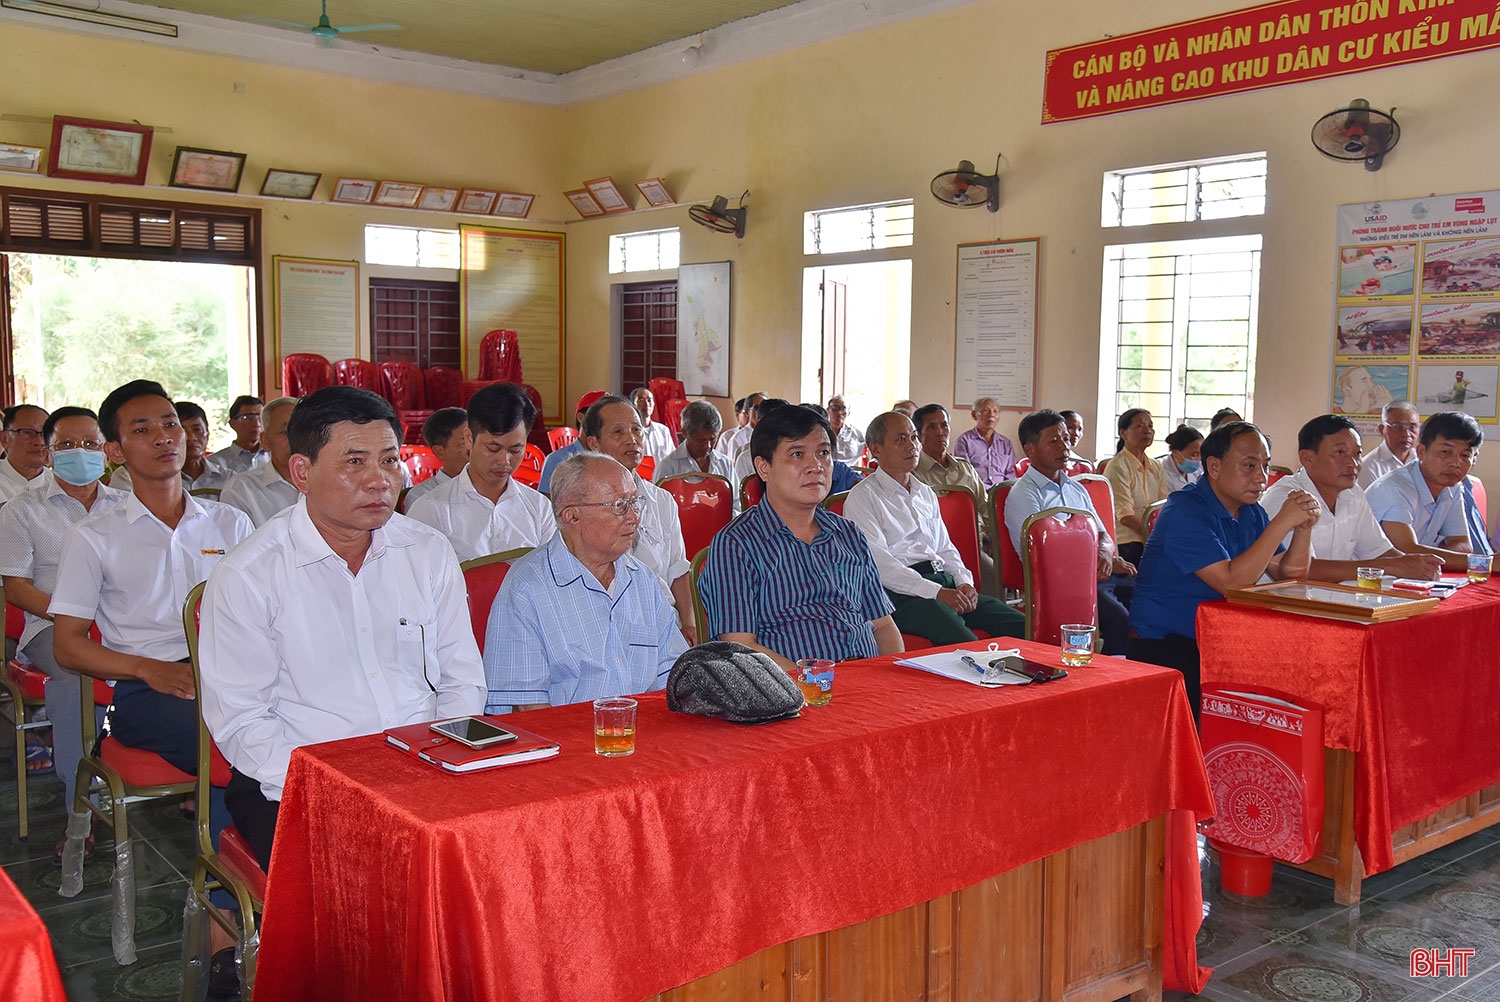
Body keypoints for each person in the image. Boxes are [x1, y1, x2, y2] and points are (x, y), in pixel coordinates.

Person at [200, 385, 485, 877]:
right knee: (372, 883)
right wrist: (346, 787)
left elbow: (462, 677)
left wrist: (442, 760)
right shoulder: (251, 573)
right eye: (354, 462)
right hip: (298, 779)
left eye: (390, 460)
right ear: (302, 472)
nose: (379, 481)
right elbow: (244, 722)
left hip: (425, 762)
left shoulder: (427, 550)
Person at [0, 406, 126, 855]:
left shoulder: (126, 506)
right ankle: (81, 811)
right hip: (49, 628)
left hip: (121, 625)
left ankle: (180, 779)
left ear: (107, 451)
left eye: (90, 444)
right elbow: (15, 587)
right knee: (75, 676)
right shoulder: (21, 510)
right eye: (67, 445)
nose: (81, 453)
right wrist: (72, 619)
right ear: (49, 454)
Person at [1128, 421, 1317, 717]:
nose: (1262, 478)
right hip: (1167, 647)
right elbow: (1231, 583)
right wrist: (1282, 522)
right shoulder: (1185, 512)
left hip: (1219, 639)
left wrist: (1302, 528)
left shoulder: (1250, 511)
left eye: (1265, 466)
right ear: (1214, 467)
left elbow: (1289, 574)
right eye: (1250, 466)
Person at [700, 402, 901, 670]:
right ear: (763, 468)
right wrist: (814, 683)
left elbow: (883, 624)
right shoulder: (737, 544)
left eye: (823, 453)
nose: (815, 466)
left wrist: (892, 677)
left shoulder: (849, 535)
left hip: (869, 685)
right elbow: (741, 646)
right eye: (797, 454)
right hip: (793, 695)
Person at [483, 453, 689, 712]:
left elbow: (675, 680)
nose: (634, 517)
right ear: (572, 516)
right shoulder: (527, 589)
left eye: (635, 502)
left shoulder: (642, 580)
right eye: (619, 505)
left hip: (644, 737)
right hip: (566, 741)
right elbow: (527, 712)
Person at [845, 412, 1023, 644]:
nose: (912, 446)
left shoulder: (925, 492)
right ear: (876, 449)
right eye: (901, 439)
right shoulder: (863, 497)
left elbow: (945, 548)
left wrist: (963, 582)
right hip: (898, 593)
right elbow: (881, 566)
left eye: (914, 437)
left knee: (1014, 621)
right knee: (961, 637)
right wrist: (936, 593)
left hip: (940, 579)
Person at [1004, 410, 1134, 654]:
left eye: (1065, 439)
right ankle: (1103, 680)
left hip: (1094, 574)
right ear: (1030, 450)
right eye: (1054, 441)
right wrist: (1094, 563)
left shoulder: (1076, 489)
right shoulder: (1024, 495)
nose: (1064, 447)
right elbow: (1041, 556)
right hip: (1061, 583)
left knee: (1146, 600)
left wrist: (1106, 555)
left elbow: (1102, 534)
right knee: (1119, 619)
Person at [1261, 414, 1442, 582]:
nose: (1353, 463)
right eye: (1341, 453)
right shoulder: (1287, 498)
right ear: (1307, 458)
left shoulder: (1353, 493)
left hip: (1333, 599)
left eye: (1357, 454)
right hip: (1281, 603)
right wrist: (1392, 566)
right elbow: (1302, 571)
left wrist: (1416, 565)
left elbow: (1378, 551)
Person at [582, 395, 695, 641]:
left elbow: (678, 568)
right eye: (618, 432)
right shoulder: (582, 507)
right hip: (607, 629)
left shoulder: (662, 501)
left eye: (636, 430)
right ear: (594, 443)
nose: (631, 439)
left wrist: (688, 624)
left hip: (664, 624)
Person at [407, 383, 555, 563]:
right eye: (493, 449)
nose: (504, 461)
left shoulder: (539, 508)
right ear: (469, 438)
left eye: (515, 450)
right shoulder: (431, 509)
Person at [1365, 411, 1481, 571]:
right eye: (1446, 452)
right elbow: (1407, 551)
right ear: (1421, 452)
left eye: (1465, 455)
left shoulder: (1453, 486)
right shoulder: (1395, 488)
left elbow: (1462, 543)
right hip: (1369, 579)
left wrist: (1433, 558)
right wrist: (1484, 563)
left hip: (1416, 577)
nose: (1456, 463)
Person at [107, 401, 232, 494]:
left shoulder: (230, 479)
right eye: (179, 428)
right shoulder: (129, 476)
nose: (191, 437)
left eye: (197, 429)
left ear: (208, 433)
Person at [1102, 408, 1171, 566]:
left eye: (1150, 426)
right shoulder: (1117, 467)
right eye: (1140, 426)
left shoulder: (1156, 466)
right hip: (1127, 543)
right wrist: (1157, 537)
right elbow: (1125, 516)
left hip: (1151, 537)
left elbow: (1163, 507)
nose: (1147, 430)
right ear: (1123, 433)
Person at [219, 397, 300, 526]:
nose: (296, 439)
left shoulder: (329, 481)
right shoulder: (242, 489)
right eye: (285, 432)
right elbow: (235, 543)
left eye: (303, 431)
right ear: (265, 441)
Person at [401, 407, 472, 510]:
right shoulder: (422, 497)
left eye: (476, 440)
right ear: (440, 452)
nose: (475, 449)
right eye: (464, 443)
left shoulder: (492, 488)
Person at [912, 404, 986, 502]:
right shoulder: (914, 472)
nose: (940, 432)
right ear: (918, 435)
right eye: (931, 427)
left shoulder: (966, 468)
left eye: (944, 426)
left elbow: (984, 509)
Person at [653, 400, 736, 486]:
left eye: (712, 439)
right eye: (701, 440)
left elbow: (735, 498)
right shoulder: (668, 467)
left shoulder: (724, 463)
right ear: (685, 433)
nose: (707, 446)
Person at [538, 390, 606, 494]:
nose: (605, 422)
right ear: (581, 417)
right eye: (599, 416)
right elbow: (546, 504)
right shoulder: (558, 460)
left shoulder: (612, 458)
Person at [953, 396, 1016, 489]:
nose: (991, 415)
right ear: (974, 415)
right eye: (986, 410)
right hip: (976, 493)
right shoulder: (964, 441)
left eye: (995, 411)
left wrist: (1004, 491)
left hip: (1003, 493)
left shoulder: (1005, 443)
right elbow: (965, 474)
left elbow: (1012, 473)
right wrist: (988, 490)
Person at [1357, 400, 1421, 488]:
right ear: (1382, 429)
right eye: (1398, 427)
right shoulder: (1369, 467)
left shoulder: (1422, 459)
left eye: (1412, 427)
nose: (1406, 434)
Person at [732, 397, 790, 485]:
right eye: (775, 423)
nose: (781, 428)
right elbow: (741, 496)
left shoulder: (795, 454)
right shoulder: (746, 459)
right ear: (760, 423)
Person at [0, 404, 49, 501]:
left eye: (45, 433)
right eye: (27, 432)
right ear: (5, 439)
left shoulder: (62, 486)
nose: (39, 442)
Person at [212, 395, 268, 473]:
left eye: (260, 418)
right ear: (232, 424)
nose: (256, 423)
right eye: (247, 418)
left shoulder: (276, 457)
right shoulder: (216, 463)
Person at [631, 386, 675, 463]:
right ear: (633, 404)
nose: (646, 404)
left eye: (649, 400)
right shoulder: (630, 431)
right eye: (641, 400)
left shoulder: (663, 430)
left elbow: (672, 457)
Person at [716, 391, 764, 458]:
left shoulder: (772, 435)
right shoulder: (737, 438)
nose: (761, 412)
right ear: (747, 412)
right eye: (757, 408)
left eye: (765, 408)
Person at [1160, 425, 1204, 493]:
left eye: (1201, 454)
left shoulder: (1200, 468)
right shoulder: (1161, 474)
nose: (1198, 459)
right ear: (1176, 454)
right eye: (1194, 455)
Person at [828, 394, 865, 462]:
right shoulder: (821, 431)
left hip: (851, 470)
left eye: (843, 408)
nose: (839, 412)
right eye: (834, 408)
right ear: (828, 410)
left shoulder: (856, 433)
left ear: (848, 413)